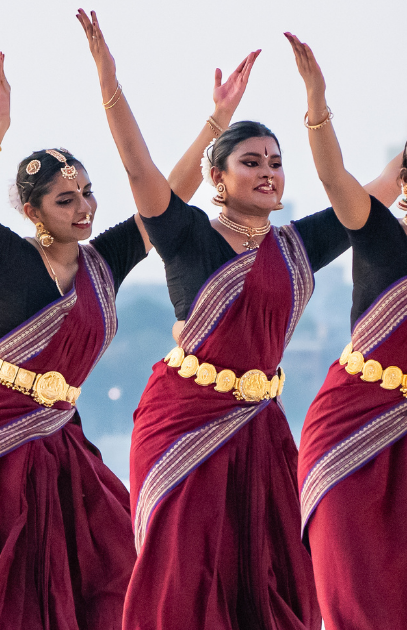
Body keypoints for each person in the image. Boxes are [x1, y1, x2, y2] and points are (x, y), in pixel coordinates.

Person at [0, 43, 255, 629]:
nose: (83, 209)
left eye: (87, 195)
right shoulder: (2, 253)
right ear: (33, 210)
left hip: (57, 435)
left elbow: (164, 194)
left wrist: (218, 121)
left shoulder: (106, 261)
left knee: (111, 568)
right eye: (65, 200)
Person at [75, 11, 402, 629]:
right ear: (217, 179)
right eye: (251, 161)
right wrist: (109, 83)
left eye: (276, 162)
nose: (269, 171)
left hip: (261, 431)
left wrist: (321, 102)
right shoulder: (188, 236)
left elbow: (383, 186)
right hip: (182, 426)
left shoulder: (297, 246)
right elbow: (139, 167)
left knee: (274, 585)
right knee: (182, 583)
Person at [288, 34, 407, 630]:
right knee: (353, 596)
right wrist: (317, 101)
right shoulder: (379, 230)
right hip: (351, 430)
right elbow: (334, 177)